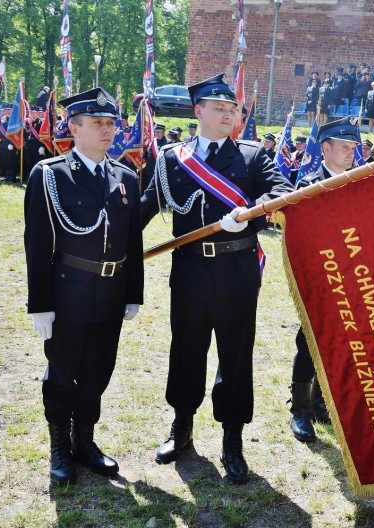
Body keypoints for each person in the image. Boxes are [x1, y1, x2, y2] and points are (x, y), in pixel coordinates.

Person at [140, 74, 294, 484]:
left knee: (235, 357)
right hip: (189, 272)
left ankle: (232, 438)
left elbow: (280, 191)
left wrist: (248, 212)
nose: (229, 115)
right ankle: (182, 428)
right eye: (220, 109)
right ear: (199, 111)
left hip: (237, 272)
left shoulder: (251, 156)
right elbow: (144, 207)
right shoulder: (172, 157)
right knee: (186, 352)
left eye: (234, 110)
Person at [24, 87, 144, 485]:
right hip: (68, 289)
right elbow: (38, 243)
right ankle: (60, 445)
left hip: (110, 293)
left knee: (98, 371)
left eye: (111, 123)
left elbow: (132, 241)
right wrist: (40, 305)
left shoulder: (126, 176)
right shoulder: (51, 174)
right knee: (63, 370)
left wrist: (133, 293)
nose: (108, 130)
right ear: (74, 128)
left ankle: (85, 441)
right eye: (97, 123)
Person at [289, 118, 359, 442]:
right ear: (326, 148)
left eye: (353, 149)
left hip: (351, 280)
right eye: (345, 148)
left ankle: (320, 404)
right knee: (309, 344)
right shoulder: (308, 186)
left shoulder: (359, 185)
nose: (351, 154)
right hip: (318, 281)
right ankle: (299, 410)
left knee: (339, 345)